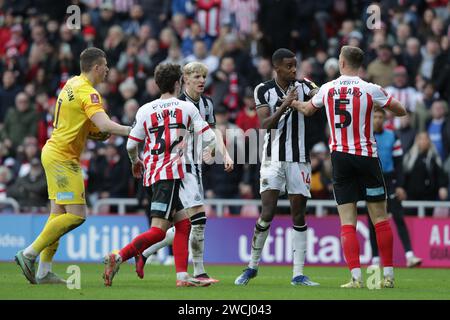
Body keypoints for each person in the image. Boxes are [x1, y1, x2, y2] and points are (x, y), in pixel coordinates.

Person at [14, 47, 132, 285]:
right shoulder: (89, 93)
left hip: (53, 151)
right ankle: (28, 254)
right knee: (77, 216)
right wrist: (131, 130)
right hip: (63, 158)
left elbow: (84, 124)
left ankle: (44, 271)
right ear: (97, 67)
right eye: (106, 65)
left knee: (58, 215)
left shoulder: (71, 83)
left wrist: (97, 131)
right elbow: (104, 124)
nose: (108, 69)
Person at [292, 46, 407, 288]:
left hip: (340, 159)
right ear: (360, 65)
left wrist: (293, 102)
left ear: (342, 62)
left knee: (347, 221)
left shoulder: (328, 88)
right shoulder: (369, 89)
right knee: (380, 218)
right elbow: (400, 110)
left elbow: (307, 109)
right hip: (367, 158)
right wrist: (380, 104)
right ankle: (388, 277)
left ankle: (355, 278)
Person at [102, 63, 218, 287]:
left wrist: (136, 162)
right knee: (158, 230)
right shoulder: (187, 108)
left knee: (184, 225)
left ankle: (183, 277)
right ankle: (118, 257)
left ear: (157, 84)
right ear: (178, 83)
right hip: (172, 172)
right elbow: (210, 137)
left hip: (152, 173)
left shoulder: (145, 109)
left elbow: (130, 145)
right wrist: (206, 149)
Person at [136, 62, 233, 282]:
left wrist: (222, 153)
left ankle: (144, 253)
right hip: (178, 167)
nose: (201, 81)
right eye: (197, 76)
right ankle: (199, 271)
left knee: (184, 223)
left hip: (194, 166)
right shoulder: (177, 104)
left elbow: (212, 130)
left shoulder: (206, 103)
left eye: (204, 77)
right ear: (184, 80)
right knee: (198, 218)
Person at [234, 48, 320, 287]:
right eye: (289, 65)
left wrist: (312, 94)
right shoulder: (263, 89)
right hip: (272, 158)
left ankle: (298, 274)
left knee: (299, 214)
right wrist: (287, 105)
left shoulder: (304, 85)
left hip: (299, 158)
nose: (294, 69)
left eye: (295, 64)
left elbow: (320, 97)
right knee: (267, 212)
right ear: (277, 68)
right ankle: (252, 267)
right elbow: (264, 125)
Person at [369, 108, 422, 268]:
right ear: (371, 119)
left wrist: (399, 185)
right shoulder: (366, 137)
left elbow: (399, 164)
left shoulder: (392, 136)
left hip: (389, 180)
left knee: (398, 217)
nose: (378, 120)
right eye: (375, 117)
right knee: (372, 222)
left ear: (385, 120)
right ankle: (376, 259)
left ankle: (410, 255)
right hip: (371, 181)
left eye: (380, 117)